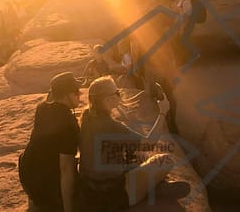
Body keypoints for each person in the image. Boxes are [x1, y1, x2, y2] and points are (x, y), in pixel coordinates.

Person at [78, 76, 189, 210]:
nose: (120, 95)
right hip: (116, 195)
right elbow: (148, 144)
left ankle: (151, 188)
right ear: (107, 100)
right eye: (117, 93)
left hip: (91, 189)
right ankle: (153, 190)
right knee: (165, 160)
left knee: (137, 160)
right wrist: (163, 112)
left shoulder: (86, 117)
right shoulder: (111, 126)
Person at [19, 73, 82, 212]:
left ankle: (35, 203)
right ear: (67, 96)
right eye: (76, 92)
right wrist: (68, 209)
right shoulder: (69, 125)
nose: (80, 94)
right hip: (45, 187)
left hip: (27, 177)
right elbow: (66, 170)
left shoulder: (42, 108)